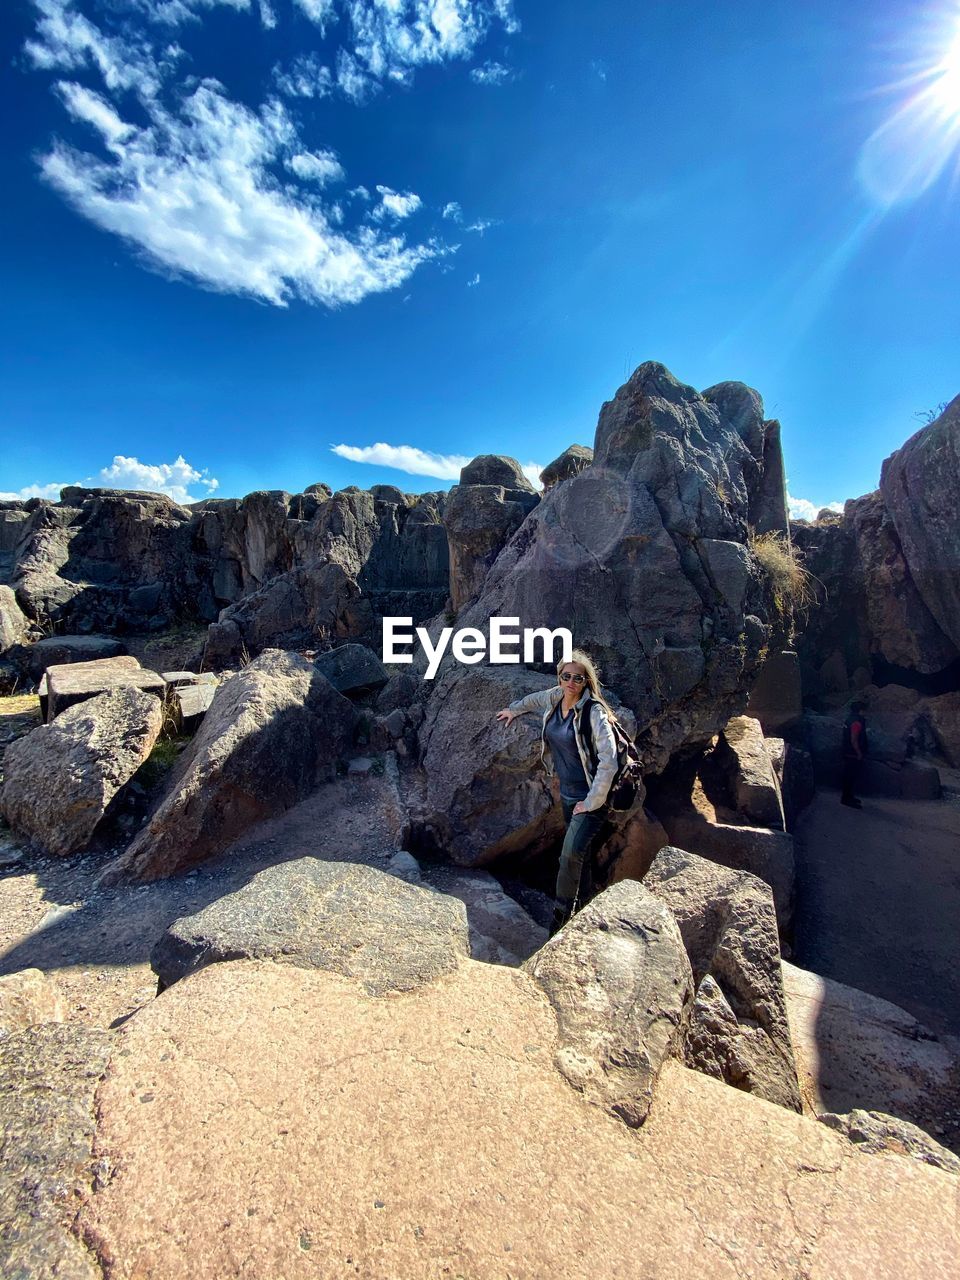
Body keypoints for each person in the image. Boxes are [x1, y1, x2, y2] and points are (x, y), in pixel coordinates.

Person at [495, 648, 619, 935]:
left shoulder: (594, 712)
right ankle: (587, 908)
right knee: (581, 854)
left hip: (590, 800)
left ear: (586, 681)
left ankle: (560, 920)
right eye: (566, 676)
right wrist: (515, 709)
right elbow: (534, 700)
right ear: (560, 677)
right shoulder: (556, 697)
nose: (571, 682)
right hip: (567, 795)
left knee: (568, 855)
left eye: (578, 678)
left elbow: (609, 759)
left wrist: (592, 801)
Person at [841, 699, 868, 808]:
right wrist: (859, 752)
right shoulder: (856, 722)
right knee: (850, 777)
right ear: (860, 710)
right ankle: (847, 799)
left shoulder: (849, 719)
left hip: (847, 751)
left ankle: (849, 796)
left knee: (849, 776)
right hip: (852, 753)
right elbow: (854, 739)